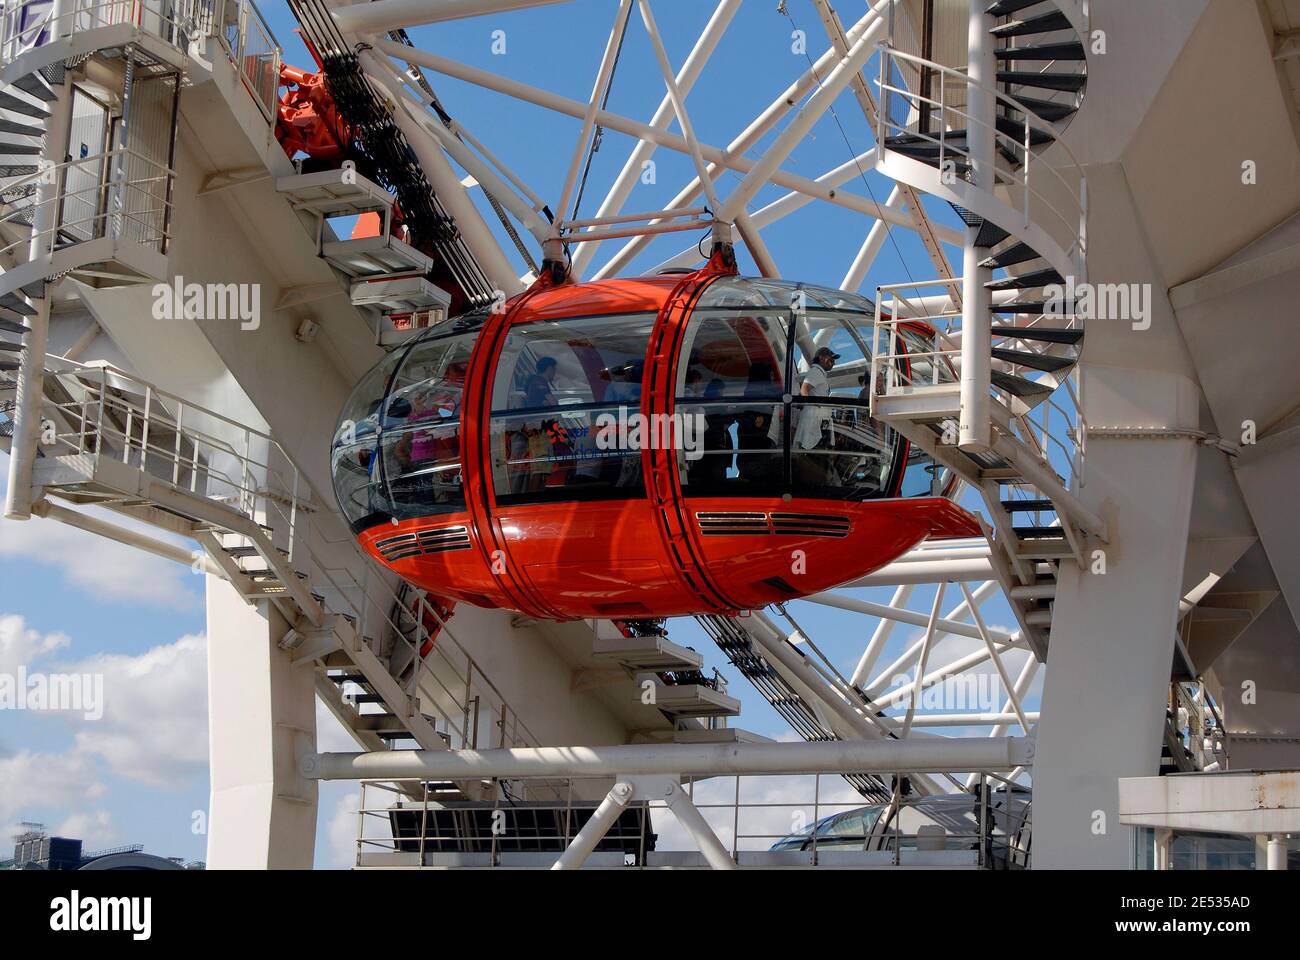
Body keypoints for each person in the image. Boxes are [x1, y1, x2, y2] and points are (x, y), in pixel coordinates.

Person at [794, 346, 840, 486]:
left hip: (818, 422)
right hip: (815, 422)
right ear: (820, 358)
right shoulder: (815, 371)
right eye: (830, 358)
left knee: (818, 457)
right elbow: (804, 390)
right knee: (815, 456)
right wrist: (812, 406)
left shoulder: (819, 374)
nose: (832, 361)